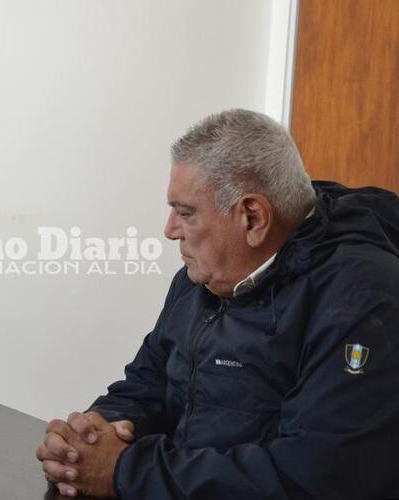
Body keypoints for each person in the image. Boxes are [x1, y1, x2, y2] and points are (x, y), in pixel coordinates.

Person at [36, 109, 399, 499]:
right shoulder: (201, 278)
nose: (170, 230)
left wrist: (126, 471)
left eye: (185, 212)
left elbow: (317, 475)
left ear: (252, 217)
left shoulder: (362, 299)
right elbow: (148, 384)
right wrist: (90, 437)